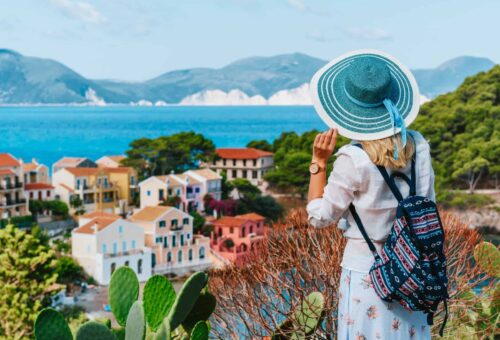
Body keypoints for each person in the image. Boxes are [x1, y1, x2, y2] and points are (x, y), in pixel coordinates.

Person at [307, 50, 434, 339]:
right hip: (414, 269)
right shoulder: (419, 145)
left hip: (367, 273)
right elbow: (428, 205)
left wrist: (319, 164)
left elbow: (319, 218)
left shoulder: (353, 159)